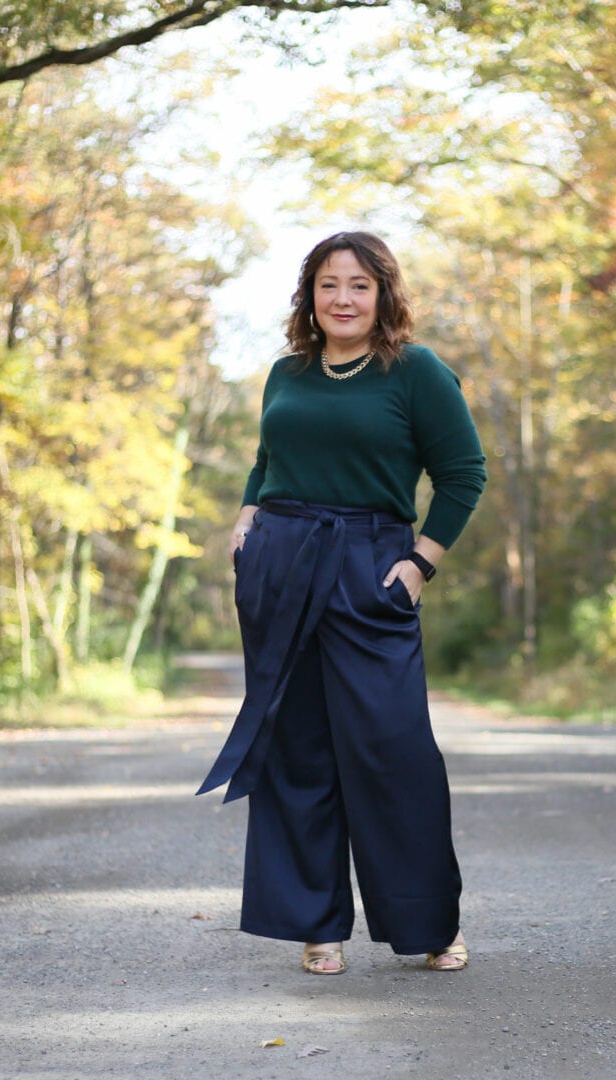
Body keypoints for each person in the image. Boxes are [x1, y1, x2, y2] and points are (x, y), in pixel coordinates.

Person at [197, 231, 486, 974]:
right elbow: (269, 457)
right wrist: (246, 516)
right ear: (310, 296)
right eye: (329, 284)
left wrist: (422, 562)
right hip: (281, 564)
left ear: (384, 294)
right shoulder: (286, 372)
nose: (344, 298)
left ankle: (427, 925)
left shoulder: (416, 372)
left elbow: (463, 474)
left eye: (359, 285)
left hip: (371, 566)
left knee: (393, 750)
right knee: (296, 748)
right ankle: (315, 924)